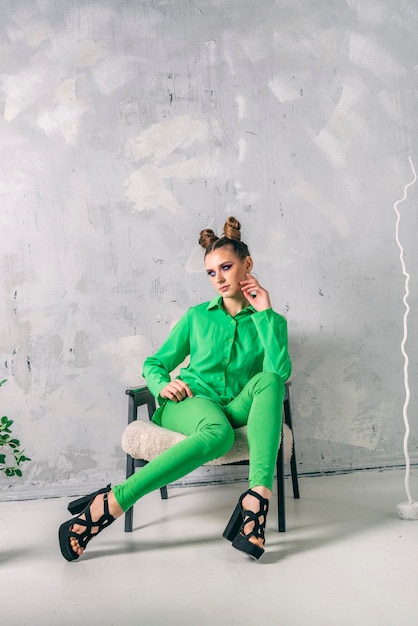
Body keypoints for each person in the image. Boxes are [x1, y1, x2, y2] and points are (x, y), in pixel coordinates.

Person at [59, 216, 291, 561]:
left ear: (248, 265)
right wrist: (163, 384)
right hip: (190, 402)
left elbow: (278, 374)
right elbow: (155, 363)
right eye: (211, 272)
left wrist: (265, 314)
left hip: (237, 406)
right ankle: (112, 502)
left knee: (269, 382)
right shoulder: (197, 317)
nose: (219, 279)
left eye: (226, 267)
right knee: (219, 434)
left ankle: (256, 498)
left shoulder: (271, 321)